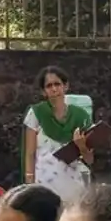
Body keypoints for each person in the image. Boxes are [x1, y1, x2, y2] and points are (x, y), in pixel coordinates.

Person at [23, 64, 95, 205]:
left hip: (72, 183)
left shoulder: (80, 116)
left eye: (57, 84)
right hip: (44, 182)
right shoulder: (37, 113)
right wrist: (29, 184)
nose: (54, 89)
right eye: (49, 86)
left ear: (66, 86)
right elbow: (30, 154)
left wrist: (81, 146)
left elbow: (90, 160)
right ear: (44, 92)